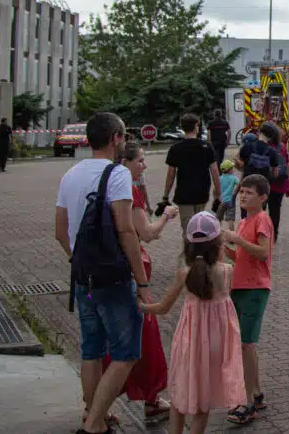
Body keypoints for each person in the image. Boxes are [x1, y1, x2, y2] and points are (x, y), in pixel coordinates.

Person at [53, 112, 149, 434]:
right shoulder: (117, 174)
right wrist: (142, 280)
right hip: (114, 279)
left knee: (92, 349)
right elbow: (126, 230)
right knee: (125, 353)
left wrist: (79, 259)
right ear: (115, 139)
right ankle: (95, 423)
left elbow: (59, 231)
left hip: (84, 279)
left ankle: (92, 414)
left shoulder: (70, 174)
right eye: (122, 136)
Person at [139, 211, 245, 434]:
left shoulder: (183, 274)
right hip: (216, 346)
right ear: (218, 243)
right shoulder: (227, 272)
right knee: (202, 403)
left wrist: (140, 306)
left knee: (179, 393)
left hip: (188, 343)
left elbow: (162, 308)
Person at [102, 143, 179, 426]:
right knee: (143, 340)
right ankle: (151, 399)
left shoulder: (101, 184)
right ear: (126, 161)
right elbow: (145, 233)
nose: (144, 166)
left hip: (103, 271)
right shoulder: (127, 190)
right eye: (141, 161)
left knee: (103, 341)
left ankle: (97, 405)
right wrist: (166, 217)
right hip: (132, 270)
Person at [223, 174, 275, 426]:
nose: (243, 195)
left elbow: (263, 253)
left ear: (263, 197)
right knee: (243, 343)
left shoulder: (262, 219)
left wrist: (238, 240)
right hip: (239, 286)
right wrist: (226, 248)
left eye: (249, 192)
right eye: (241, 191)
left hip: (255, 288)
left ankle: (250, 399)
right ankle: (256, 393)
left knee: (246, 343)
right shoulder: (244, 222)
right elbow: (241, 256)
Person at [162, 113, 222, 234]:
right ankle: (199, 250)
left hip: (184, 194)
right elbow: (215, 171)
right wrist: (218, 193)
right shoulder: (206, 146)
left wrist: (166, 195)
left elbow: (170, 175)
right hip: (202, 191)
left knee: (188, 229)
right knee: (200, 226)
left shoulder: (176, 148)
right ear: (196, 126)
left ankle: (189, 250)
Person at [234, 124, 280, 218]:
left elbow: (238, 163)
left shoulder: (247, 147)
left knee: (245, 217)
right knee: (258, 217)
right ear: (271, 137)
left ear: (259, 132)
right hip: (261, 189)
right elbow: (275, 174)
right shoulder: (272, 152)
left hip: (247, 187)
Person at [263, 124, 289, 243]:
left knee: (261, 210)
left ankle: (263, 232)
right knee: (275, 210)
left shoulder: (264, 147)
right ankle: (274, 234)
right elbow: (287, 164)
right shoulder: (281, 146)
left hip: (265, 183)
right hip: (279, 183)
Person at [218, 159, 239, 231]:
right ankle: (232, 235)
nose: (233, 170)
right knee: (230, 219)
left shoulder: (219, 178)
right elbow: (239, 184)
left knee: (218, 218)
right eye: (232, 168)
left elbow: (215, 189)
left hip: (221, 201)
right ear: (229, 170)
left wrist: (217, 197)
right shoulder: (233, 178)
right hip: (230, 201)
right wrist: (235, 191)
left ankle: (217, 232)